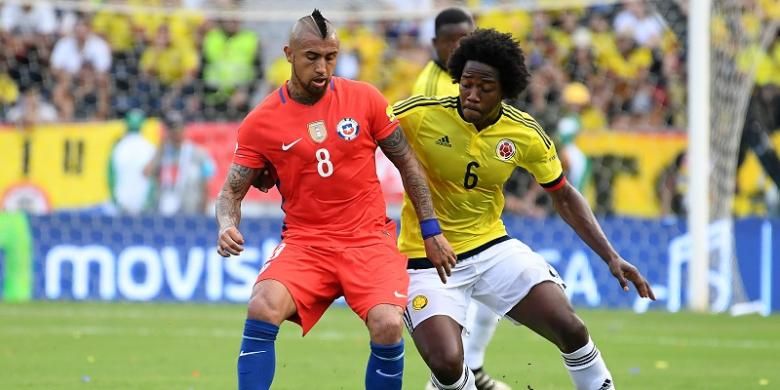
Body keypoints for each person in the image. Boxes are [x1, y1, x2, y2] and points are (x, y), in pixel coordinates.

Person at [393, 29, 655, 390]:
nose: (471, 94)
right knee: (447, 363)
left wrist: (611, 256)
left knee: (570, 326)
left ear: (505, 90)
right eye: (465, 83)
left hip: (491, 249)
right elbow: (366, 129)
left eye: (484, 87)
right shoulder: (421, 114)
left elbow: (563, 194)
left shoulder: (523, 132)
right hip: (426, 258)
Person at [214, 10, 456, 390]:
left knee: (389, 323)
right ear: (288, 53)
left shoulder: (365, 99)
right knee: (262, 304)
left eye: (330, 57)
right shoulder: (261, 122)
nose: (322, 68)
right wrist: (227, 224)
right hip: (306, 244)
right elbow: (231, 191)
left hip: (368, 241)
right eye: (312, 57)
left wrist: (431, 228)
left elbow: (407, 162)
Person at [411, 8, 509, 390]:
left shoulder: (470, 79)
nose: (459, 48)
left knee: (490, 296)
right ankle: (455, 376)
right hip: (446, 215)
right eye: (451, 41)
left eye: (465, 39)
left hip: (476, 208)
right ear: (435, 44)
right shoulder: (431, 89)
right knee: (457, 304)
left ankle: (475, 369)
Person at [146, 111, 214, 216]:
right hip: (164, 211)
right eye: (172, 129)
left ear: (184, 129)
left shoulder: (198, 154)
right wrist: (161, 149)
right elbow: (147, 172)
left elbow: (206, 183)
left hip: (191, 211)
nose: (175, 132)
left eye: (178, 128)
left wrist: (204, 211)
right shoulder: (162, 153)